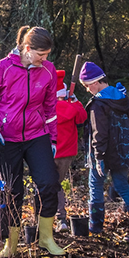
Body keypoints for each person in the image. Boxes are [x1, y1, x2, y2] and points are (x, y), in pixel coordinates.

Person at [0, 25, 66, 257]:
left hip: (37, 136)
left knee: (48, 183)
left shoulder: (47, 71)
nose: (44, 60)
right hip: (7, 139)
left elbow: (50, 108)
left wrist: (53, 138)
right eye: (40, 55)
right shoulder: (3, 69)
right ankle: (11, 244)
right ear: (27, 49)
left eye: (47, 56)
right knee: (11, 191)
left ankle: (46, 238)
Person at [82, 61, 129, 242]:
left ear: (95, 83)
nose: (87, 90)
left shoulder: (98, 104)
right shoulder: (122, 97)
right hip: (122, 152)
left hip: (104, 154)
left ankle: (95, 229)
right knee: (122, 186)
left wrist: (98, 157)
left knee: (95, 186)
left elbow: (100, 133)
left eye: (87, 86)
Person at [54, 70, 88, 227]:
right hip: (67, 153)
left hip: (48, 151)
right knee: (57, 184)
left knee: (46, 185)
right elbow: (82, 117)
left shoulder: (45, 107)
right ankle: (61, 218)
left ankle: (48, 216)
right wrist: (75, 101)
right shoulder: (72, 107)